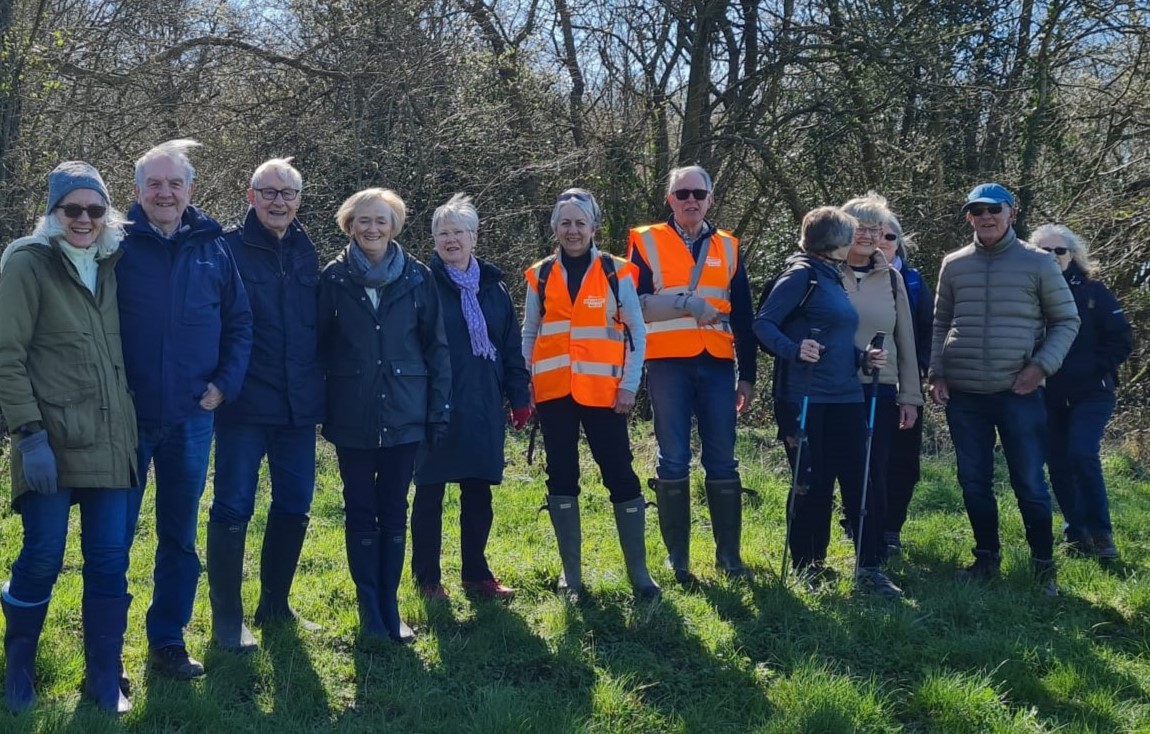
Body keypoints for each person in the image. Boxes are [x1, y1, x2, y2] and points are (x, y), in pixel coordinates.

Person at [0, 163, 137, 714]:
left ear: (108, 215)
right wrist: (28, 436)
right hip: (50, 442)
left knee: (109, 560)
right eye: (72, 209)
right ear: (54, 213)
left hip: (110, 437)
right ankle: (18, 671)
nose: (84, 219)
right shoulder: (27, 263)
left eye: (95, 210)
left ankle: (103, 678)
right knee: (42, 556)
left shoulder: (112, 263)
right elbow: (6, 356)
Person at [118, 139, 253, 678]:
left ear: (191, 189)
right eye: (155, 183)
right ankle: (107, 649)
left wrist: (226, 383)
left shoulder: (213, 247)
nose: (165, 192)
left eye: (175, 183)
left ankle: (167, 641)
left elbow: (240, 323)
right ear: (137, 191)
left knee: (178, 535)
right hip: (125, 420)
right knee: (114, 540)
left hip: (192, 418)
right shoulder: (114, 244)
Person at [930, 183, 1079, 595]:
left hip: (1019, 392)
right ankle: (986, 560)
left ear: (1012, 213)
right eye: (977, 211)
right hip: (964, 395)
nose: (986, 216)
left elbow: (1067, 321)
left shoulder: (1039, 263)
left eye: (994, 209)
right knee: (973, 481)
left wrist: (1040, 367)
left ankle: (1044, 568)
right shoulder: (954, 264)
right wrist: (937, 373)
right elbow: (941, 322)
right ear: (969, 218)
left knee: (1029, 482)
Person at [318, 188, 451, 644]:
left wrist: (439, 411)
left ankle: (390, 606)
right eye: (363, 220)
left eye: (381, 220)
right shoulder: (333, 279)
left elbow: (437, 347)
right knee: (359, 508)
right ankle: (368, 606)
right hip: (352, 414)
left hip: (405, 412)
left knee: (395, 508)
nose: (371, 229)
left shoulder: (417, 277)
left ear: (394, 226)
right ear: (348, 225)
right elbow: (320, 346)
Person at [208, 158, 324, 652]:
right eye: (270, 192)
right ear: (251, 196)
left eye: (289, 193)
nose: (280, 201)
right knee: (234, 507)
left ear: (300, 199)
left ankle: (275, 605)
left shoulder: (308, 250)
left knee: (295, 505)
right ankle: (227, 620)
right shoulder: (225, 249)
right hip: (243, 406)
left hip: (298, 410)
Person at [755, 206, 900, 597]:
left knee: (860, 478)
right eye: (851, 235)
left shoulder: (832, 276)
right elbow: (762, 324)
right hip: (804, 395)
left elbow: (833, 337)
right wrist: (794, 348)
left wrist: (860, 357)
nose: (857, 241)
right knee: (811, 481)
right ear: (833, 243)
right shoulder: (800, 275)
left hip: (847, 394)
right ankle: (808, 565)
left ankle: (869, 568)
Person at [523, 188, 660, 600]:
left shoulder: (617, 272)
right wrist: (528, 381)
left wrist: (630, 386)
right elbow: (530, 331)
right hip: (554, 392)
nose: (572, 230)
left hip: (607, 393)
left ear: (594, 227)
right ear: (554, 229)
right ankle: (572, 576)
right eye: (565, 223)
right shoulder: (540, 274)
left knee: (619, 472)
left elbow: (638, 332)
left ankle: (639, 573)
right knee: (561, 475)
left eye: (580, 223)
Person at [627, 165, 757, 584]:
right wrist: (687, 303)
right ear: (670, 199)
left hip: (718, 364)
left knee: (723, 458)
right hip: (667, 364)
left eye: (698, 193)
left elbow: (745, 316)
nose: (690, 200)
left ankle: (729, 558)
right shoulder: (646, 241)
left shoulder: (730, 247)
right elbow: (635, 304)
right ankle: (678, 560)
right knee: (674, 458)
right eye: (682, 193)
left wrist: (748, 376)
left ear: (710, 199)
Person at [411, 194, 532, 602]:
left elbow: (511, 347)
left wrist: (519, 396)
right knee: (429, 492)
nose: (450, 240)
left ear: (474, 237)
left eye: (457, 232)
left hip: (482, 403)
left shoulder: (493, 288)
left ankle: (476, 575)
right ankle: (427, 580)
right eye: (442, 233)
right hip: (435, 404)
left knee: (478, 492)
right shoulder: (421, 284)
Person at [1031, 224, 1132, 560]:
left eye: (1059, 251)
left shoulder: (1093, 291)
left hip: (1093, 393)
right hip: (1048, 395)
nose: (1052, 257)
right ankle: (1076, 532)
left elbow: (1121, 339)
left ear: (1072, 255)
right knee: (1057, 463)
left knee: (1082, 454)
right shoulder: (1029, 291)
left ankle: (1101, 534)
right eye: (1044, 251)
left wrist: (1091, 370)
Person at [839, 194, 924, 557]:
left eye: (878, 230)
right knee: (841, 468)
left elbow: (907, 338)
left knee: (877, 469)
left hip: (882, 388)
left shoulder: (894, 278)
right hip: (835, 387)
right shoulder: (821, 271)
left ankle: (873, 549)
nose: (871, 236)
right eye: (862, 228)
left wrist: (911, 396)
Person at [873, 217, 934, 554]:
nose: (882, 240)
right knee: (870, 461)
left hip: (906, 384)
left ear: (900, 242)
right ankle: (862, 526)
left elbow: (928, 328)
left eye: (890, 235)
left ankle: (892, 528)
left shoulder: (912, 281)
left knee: (905, 464)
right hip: (866, 384)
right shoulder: (846, 276)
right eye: (874, 234)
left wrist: (920, 368)